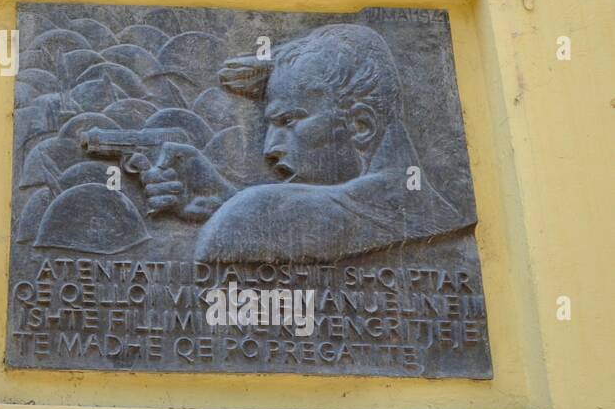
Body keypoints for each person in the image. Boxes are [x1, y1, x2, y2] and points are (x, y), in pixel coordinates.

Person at [141, 24, 468, 263]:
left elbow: (238, 231)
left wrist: (237, 208)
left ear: (361, 125)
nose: (270, 148)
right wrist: (225, 198)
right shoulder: (435, 213)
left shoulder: (250, 215)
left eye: (288, 121)